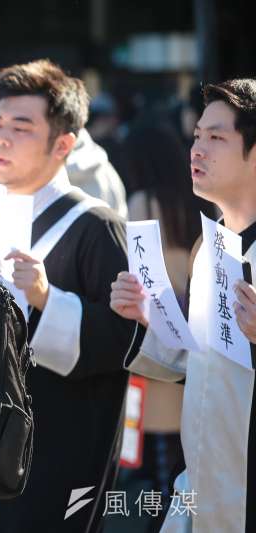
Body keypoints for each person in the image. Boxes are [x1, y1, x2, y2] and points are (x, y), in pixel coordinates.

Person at [0, 60, 143, 533]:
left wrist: (46, 299)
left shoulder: (97, 227)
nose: (1, 138)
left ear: (63, 144)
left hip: (59, 447)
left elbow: (121, 340)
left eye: (21, 127)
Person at [110, 78, 256, 532]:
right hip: (200, 491)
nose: (197, 150)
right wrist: (150, 320)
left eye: (216, 138)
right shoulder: (206, 249)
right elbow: (200, 366)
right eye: (196, 136)